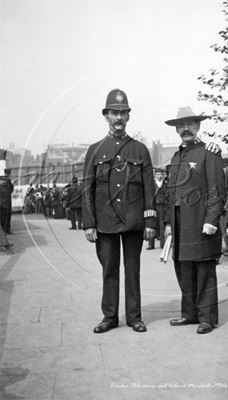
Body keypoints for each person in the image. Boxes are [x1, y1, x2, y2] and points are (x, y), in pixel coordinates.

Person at [82, 88, 157, 333]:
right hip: (104, 222)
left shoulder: (140, 150)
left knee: (132, 270)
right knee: (109, 271)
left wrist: (150, 222)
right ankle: (110, 317)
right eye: (114, 113)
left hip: (134, 221)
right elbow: (88, 189)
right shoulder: (94, 150)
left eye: (123, 113)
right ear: (106, 115)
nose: (118, 118)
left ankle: (134, 317)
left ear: (128, 117)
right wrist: (89, 223)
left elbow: (149, 190)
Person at [164, 106, 226, 334]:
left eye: (190, 124)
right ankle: (189, 314)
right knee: (184, 271)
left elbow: (217, 189)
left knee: (204, 271)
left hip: (201, 222)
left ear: (198, 126)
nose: (185, 128)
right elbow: (170, 193)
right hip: (180, 224)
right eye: (181, 125)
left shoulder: (209, 152)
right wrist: (168, 224)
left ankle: (207, 318)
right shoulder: (176, 156)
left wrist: (211, 219)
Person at [147, 167, 167, 250]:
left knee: (162, 225)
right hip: (154, 206)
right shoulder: (152, 184)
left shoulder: (165, 185)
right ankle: (151, 244)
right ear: (155, 175)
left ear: (163, 175)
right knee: (152, 224)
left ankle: (163, 243)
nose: (159, 176)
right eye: (158, 174)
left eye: (161, 174)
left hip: (162, 207)